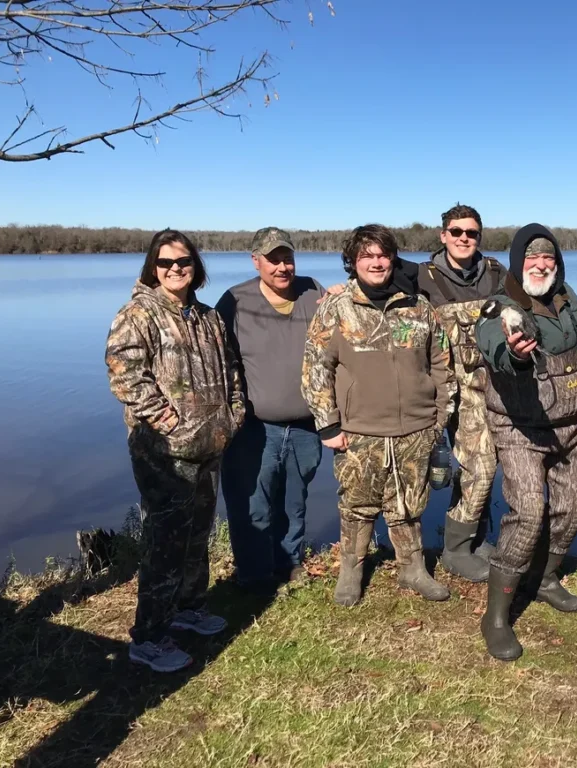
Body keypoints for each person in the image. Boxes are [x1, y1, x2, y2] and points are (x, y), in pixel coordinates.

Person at [105, 229, 245, 672]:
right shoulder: (139, 313)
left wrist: (234, 413)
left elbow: (232, 369)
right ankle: (148, 637)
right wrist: (169, 421)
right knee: (165, 542)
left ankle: (189, 608)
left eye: (182, 261)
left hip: (210, 444)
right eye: (165, 263)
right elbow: (124, 373)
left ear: (195, 266)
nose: (175, 269)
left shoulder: (207, 317)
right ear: (153, 267)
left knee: (198, 533)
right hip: (163, 452)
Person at [301, 224, 457, 606]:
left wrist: (439, 416)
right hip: (359, 430)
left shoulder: (419, 307)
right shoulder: (336, 310)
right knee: (357, 503)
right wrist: (328, 424)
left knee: (409, 503)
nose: (376, 262)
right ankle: (351, 571)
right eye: (367, 256)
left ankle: (412, 569)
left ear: (392, 259)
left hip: (416, 428)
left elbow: (441, 363)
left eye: (383, 255)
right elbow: (315, 368)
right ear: (353, 262)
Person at [474, 223, 577, 661]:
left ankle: (542, 579)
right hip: (520, 426)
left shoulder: (567, 297)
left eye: (549, 258)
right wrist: (517, 354)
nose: (541, 265)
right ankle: (496, 616)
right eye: (532, 258)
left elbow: (576, 336)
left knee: (574, 508)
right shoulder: (499, 308)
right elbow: (496, 349)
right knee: (527, 512)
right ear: (518, 262)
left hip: (570, 423)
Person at [216, 227, 327, 590]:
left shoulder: (313, 291)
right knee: (254, 506)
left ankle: (289, 562)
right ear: (256, 260)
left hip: (307, 426)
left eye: (287, 258)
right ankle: (253, 574)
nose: (282, 267)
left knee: (294, 503)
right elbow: (217, 361)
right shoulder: (235, 300)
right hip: (254, 428)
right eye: (273, 259)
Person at [417, 204, 508, 582]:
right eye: (456, 232)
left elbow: (530, 304)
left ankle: (475, 539)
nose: (463, 239)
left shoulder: (497, 273)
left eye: (471, 233)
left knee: (487, 465)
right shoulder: (420, 275)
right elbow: (375, 286)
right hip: (448, 389)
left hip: (495, 387)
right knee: (480, 465)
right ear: (443, 235)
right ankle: (455, 550)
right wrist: (340, 289)